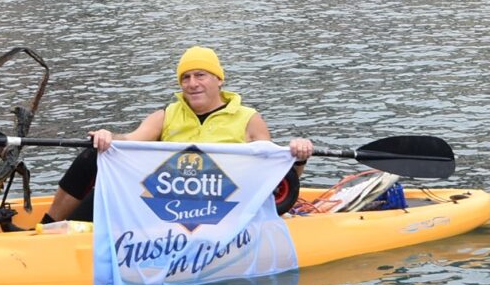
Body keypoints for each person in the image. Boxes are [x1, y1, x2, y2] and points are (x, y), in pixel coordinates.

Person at [43, 46, 313, 224]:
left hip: (216, 205)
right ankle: (50, 227)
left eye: (200, 75)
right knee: (93, 157)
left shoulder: (248, 118)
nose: (192, 84)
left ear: (219, 79)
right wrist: (107, 136)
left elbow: (276, 178)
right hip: (166, 197)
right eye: (185, 78)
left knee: (111, 190)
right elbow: (131, 140)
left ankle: (67, 236)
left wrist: (298, 156)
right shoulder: (166, 114)